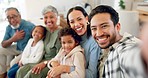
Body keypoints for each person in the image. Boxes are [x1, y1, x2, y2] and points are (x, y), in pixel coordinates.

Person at [89, 5, 141, 78]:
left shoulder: (128, 50)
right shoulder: (107, 48)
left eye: (104, 26)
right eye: (94, 28)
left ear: (117, 27)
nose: (98, 33)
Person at [16, 5, 61, 78]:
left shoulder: (61, 33)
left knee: (32, 74)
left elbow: (60, 56)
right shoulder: (44, 30)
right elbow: (33, 43)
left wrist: (44, 63)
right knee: (21, 71)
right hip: (40, 59)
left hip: (52, 63)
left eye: (51, 17)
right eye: (45, 17)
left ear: (57, 18)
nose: (48, 20)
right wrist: (23, 59)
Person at [66, 6, 101, 78]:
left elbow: (92, 75)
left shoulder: (93, 42)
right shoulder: (70, 40)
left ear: (86, 19)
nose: (76, 24)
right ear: (69, 25)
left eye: (79, 19)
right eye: (72, 22)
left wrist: (65, 69)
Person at [0, 7, 35, 78]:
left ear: (20, 16)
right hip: (18, 47)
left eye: (14, 16)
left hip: (27, 51)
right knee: (0, 50)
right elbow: (3, 44)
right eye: (9, 18)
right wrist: (13, 38)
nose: (12, 20)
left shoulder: (29, 26)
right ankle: (3, 73)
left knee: (12, 63)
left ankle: (10, 74)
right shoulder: (9, 28)